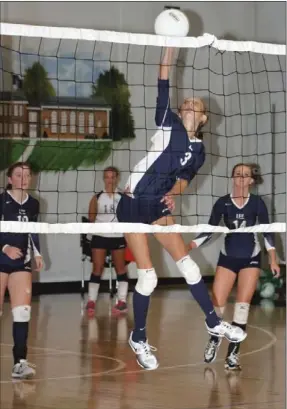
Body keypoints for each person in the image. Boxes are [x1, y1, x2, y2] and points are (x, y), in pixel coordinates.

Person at [116, 47, 247, 371]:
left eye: (196, 105)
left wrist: (174, 193)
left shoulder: (200, 151)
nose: (189, 104)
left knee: (189, 268)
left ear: (203, 118)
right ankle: (139, 338)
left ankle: (213, 322)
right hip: (133, 205)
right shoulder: (167, 122)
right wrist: (168, 50)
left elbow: (184, 180)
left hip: (159, 204)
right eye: (186, 102)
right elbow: (163, 81)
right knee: (147, 278)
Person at [188, 163, 280, 370]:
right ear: (232, 178)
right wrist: (190, 245)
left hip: (251, 258)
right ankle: (215, 339)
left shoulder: (258, 203)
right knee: (217, 304)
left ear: (251, 181)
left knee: (242, 307)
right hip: (227, 258)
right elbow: (209, 229)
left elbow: (267, 232)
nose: (240, 177)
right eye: (237, 174)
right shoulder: (222, 203)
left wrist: (273, 259)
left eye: (245, 175)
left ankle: (233, 355)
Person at [0, 162, 43, 379]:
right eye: (19, 174)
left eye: (27, 175)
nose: (24, 178)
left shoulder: (34, 204)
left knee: (22, 312)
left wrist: (37, 253)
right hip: (0, 257)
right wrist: (5, 248)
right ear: (10, 179)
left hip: (21, 262)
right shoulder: (1, 201)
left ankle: (20, 363)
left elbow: (33, 230)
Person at [86, 166, 129, 316]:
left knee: (120, 268)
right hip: (100, 236)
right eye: (107, 177)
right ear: (103, 179)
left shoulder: (123, 197)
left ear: (117, 178)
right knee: (97, 269)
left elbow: (129, 216)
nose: (110, 180)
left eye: (112, 177)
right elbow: (91, 218)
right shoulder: (97, 197)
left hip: (117, 236)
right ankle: (91, 301)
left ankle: (122, 301)